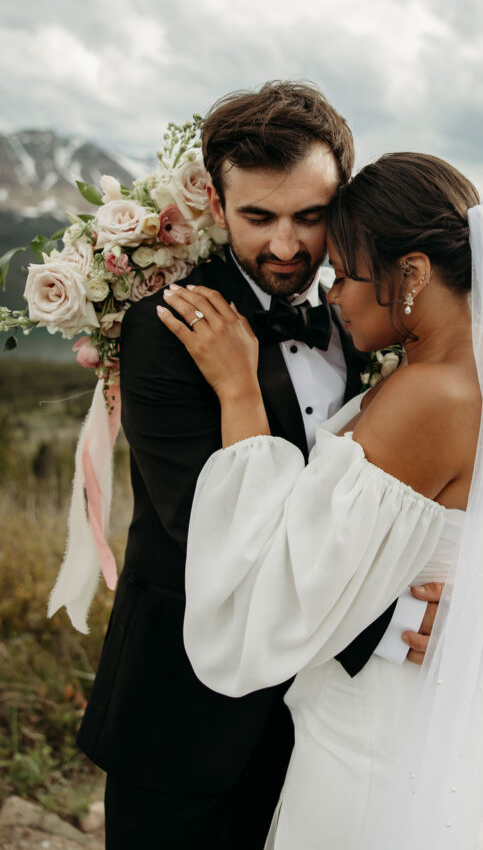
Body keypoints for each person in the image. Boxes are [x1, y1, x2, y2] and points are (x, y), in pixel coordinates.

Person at [76, 83, 442, 850]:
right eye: (258, 217)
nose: (286, 246)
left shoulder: (354, 316)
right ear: (215, 200)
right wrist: (381, 622)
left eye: (310, 217)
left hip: (308, 720)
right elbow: (214, 536)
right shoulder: (168, 327)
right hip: (181, 708)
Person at [160, 152, 483, 848]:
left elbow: (278, 594)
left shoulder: (429, 396)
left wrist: (239, 393)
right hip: (402, 715)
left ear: (414, 275)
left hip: (372, 737)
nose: (330, 293)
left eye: (343, 270)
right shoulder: (473, 373)